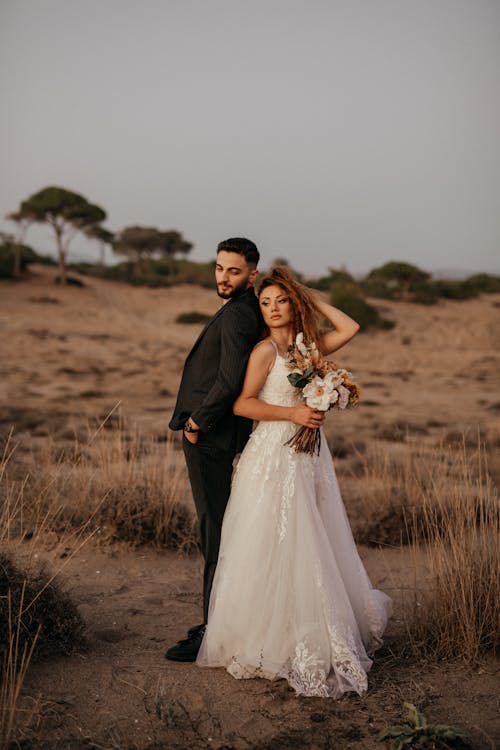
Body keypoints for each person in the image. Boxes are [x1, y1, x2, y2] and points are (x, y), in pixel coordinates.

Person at [197, 266, 392, 697]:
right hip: (272, 455)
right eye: (265, 303)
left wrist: (305, 295)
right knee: (273, 539)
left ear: (293, 305)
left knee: (313, 536)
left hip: (309, 459)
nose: (271, 310)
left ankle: (315, 623)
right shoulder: (264, 351)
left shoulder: (308, 348)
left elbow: (351, 326)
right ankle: (268, 637)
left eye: (280, 301)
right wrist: (294, 413)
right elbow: (243, 405)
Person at [166, 237, 262, 662]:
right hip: (215, 436)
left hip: (212, 438)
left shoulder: (242, 315)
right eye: (219, 268)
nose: (223, 277)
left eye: (234, 271)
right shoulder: (240, 308)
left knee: (215, 535)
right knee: (219, 532)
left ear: (252, 274)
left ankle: (213, 633)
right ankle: (218, 621)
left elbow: (228, 380)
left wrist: (196, 423)